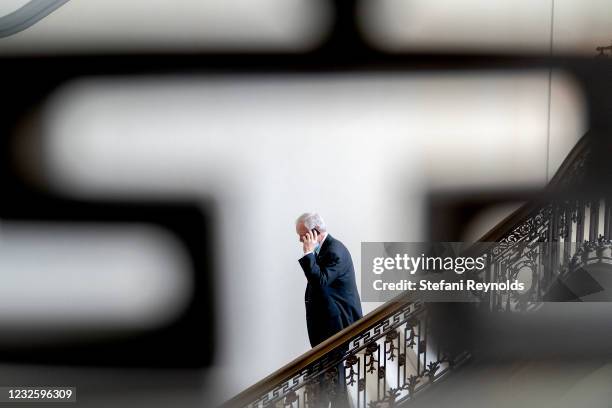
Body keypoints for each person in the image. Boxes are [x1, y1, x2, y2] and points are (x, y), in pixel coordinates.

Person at [295, 213, 363, 407]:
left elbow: (320, 281)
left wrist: (308, 254)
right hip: (326, 324)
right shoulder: (325, 249)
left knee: (335, 377)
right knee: (325, 374)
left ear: (314, 232)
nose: (300, 240)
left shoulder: (335, 250)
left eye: (302, 235)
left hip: (338, 325)